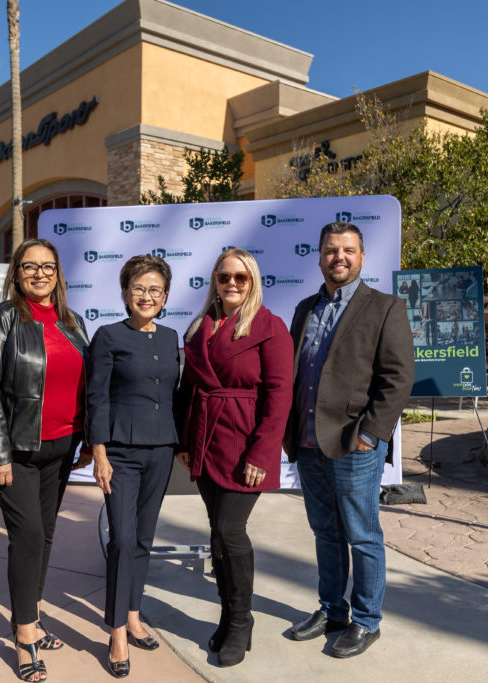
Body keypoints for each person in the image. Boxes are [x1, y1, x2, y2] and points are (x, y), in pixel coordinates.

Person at [284, 222, 414, 659]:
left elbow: (397, 379)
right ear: (319, 256)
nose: (338, 257)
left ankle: (366, 621)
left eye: (348, 250)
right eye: (331, 250)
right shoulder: (305, 308)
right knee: (325, 533)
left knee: (362, 536)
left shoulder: (384, 308)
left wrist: (370, 434)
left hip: (354, 444)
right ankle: (332, 610)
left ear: (361, 257)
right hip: (307, 442)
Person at [0, 238, 91, 682]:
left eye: (47, 266)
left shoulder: (72, 321)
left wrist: (86, 441)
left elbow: (85, 385)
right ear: (16, 274)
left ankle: (33, 619)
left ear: (58, 272)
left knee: (43, 539)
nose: (39, 274)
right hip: (18, 453)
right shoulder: (3, 319)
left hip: (61, 450)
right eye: (29, 267)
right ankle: (24, 636)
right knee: (28, 538)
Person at [176, 247, 293, 667]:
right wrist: (185, 443)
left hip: (246, 444)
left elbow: (280, 396)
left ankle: (242, 621)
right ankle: (228, 616)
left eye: (240, 278)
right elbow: (189, 389)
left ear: (253, 282)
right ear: (214, 280)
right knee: (217, 533)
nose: (231, 284)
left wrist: (263, 451)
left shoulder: (270, 327)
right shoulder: (199, 327)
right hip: (206, 441)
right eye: (224, 276)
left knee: (230, 530)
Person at [86, 255, 181, 678]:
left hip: (161, 449)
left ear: (165, 297)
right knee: (121, 540)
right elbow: (97, 397)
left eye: (155, 290)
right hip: (120, 452)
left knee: (143, 537)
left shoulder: (171, 337)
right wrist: (99, 452)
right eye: (139, 288)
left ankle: (135, 613)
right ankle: (117, 631)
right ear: (126, 293)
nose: (147, 296)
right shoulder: (107, 336)